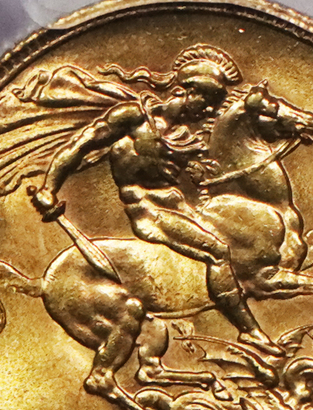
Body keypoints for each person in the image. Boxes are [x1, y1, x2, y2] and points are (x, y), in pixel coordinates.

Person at [29, 44, 282, 356]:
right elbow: (78, 146)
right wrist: (49, 188)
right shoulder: (133, 118)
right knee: (218, 251)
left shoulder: (187, 135)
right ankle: (249, 331)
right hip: (149, 212)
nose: (208, 112)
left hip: (181, 208)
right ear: (190, 91)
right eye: (207, 102)